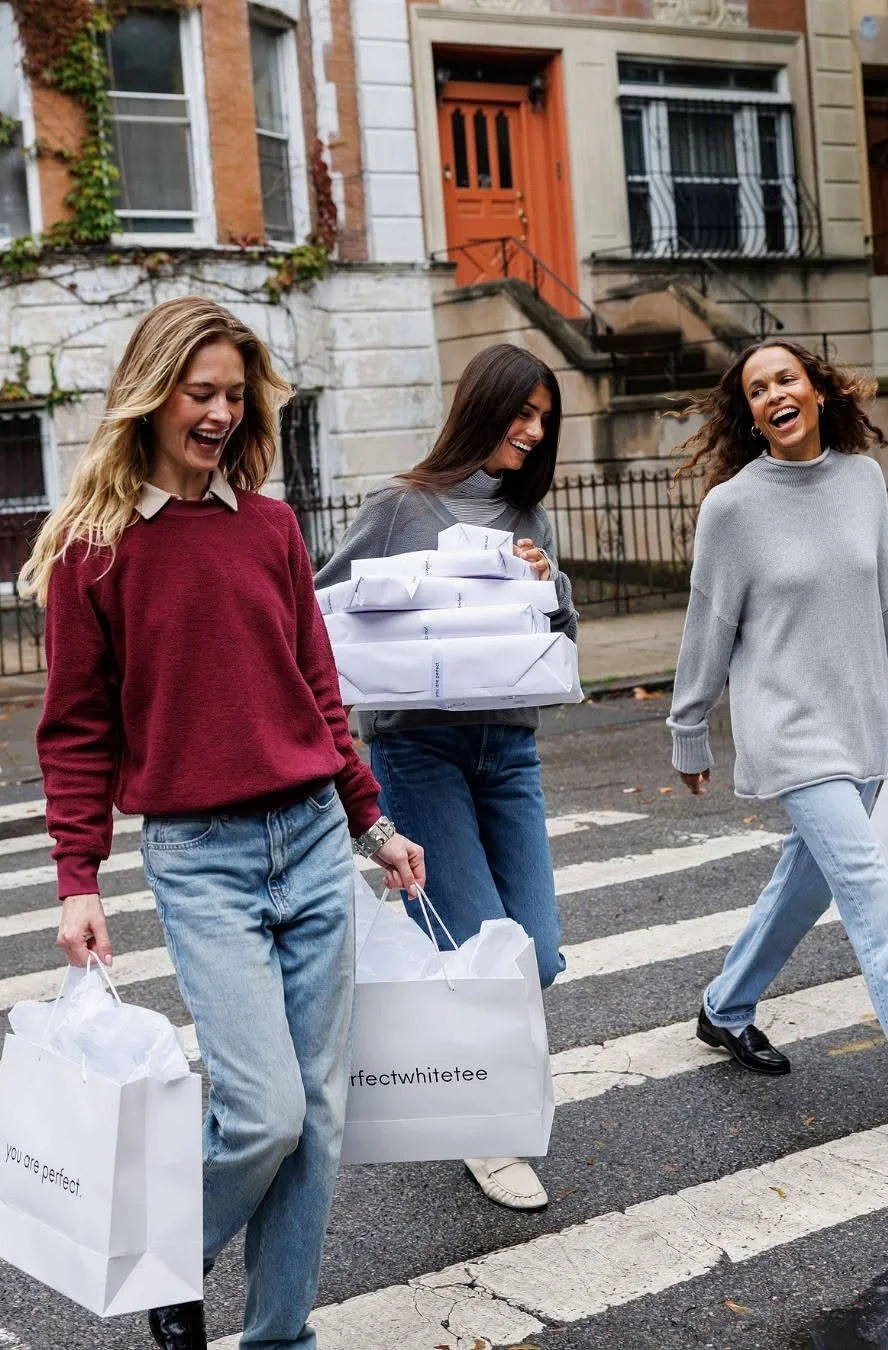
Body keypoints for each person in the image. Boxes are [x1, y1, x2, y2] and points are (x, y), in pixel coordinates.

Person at [19, 296, 425, 1350]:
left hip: (313, 837)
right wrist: (77, 879)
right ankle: (171, 1258)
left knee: (319, 1120)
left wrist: (372, 826)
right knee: (263, 1111)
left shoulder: (273, 528)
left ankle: (280, 1336)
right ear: (151, 397)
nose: (219, 414)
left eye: (235, 396)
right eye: (200, 393)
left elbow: (319, 694)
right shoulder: (95, 551)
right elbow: (75, 732)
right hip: (203, 860)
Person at [667, 337, 888, 1174]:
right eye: (756, 389)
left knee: (806, 879)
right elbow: (708, 625)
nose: (773, 394)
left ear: (816, 391)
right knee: (875, 910)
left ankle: (725, 1007)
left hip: (860, 726)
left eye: (785, 378)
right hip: (790, 733)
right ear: (750, 413)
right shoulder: (733, 509)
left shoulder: (862, 481)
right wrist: (688, 726)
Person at [316, 342, 578, 1210]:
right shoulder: (399, 507)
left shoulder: (526, 515)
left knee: (537, 954)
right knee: (478, 949)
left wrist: (548, 583)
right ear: (482, 406)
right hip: (419, 751)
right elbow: (318, 613)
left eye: (544, 420)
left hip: (510, 749)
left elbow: (560, 639)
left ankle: (460, 1045)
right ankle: (484, 1130)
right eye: (522, 413)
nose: (533, 433)